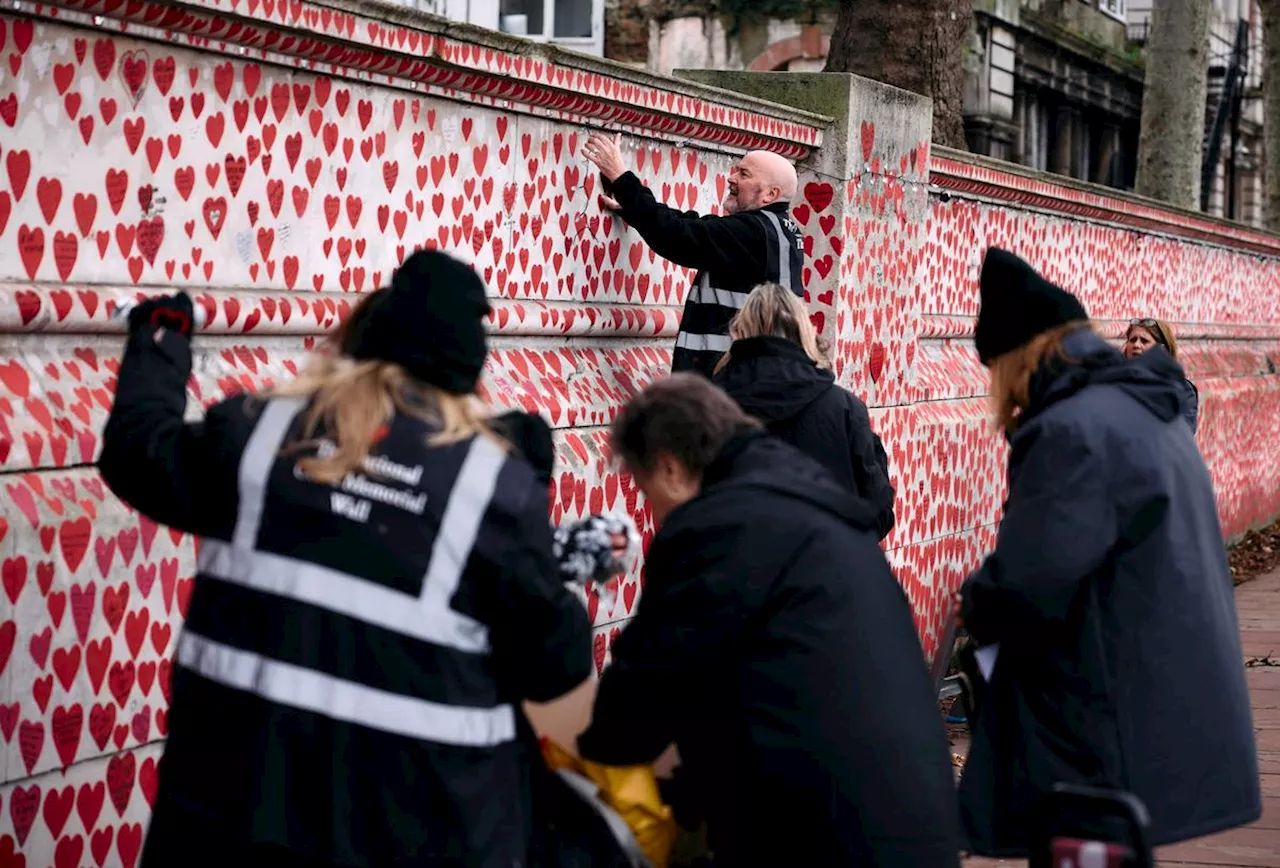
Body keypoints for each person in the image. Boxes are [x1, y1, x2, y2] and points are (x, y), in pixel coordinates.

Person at [99, 251, 597, 868]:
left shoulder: (259, 434)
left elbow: (138, 454)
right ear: (469, 373)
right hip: (422, 830)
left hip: (226, 821)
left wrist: (161, 336)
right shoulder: (490, 485)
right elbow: (557, 664)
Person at [577, 374, 963, 867]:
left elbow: (638, 702)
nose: (652, 515)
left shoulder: (717, 527)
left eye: (645, 490)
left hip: (827, 839)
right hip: (916, 824)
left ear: (671, 469)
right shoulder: (814, 507)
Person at [956, 248, 1260, 857]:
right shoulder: (1143, 408)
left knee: (1086, 843)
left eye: (997, 371)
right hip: (1155, 687)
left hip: (1098, 705)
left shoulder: (1073, 428)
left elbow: (1031, 579)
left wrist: (976, 604)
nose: (1000, 394)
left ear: (1024, 357)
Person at [582, 133, 805, 377]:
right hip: (757, 378)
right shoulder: (779, 230)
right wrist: (634, 209)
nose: (731, 177)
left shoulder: (751, 232)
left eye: (744, 174)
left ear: (770, 195)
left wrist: (621, 177)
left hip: (730, 383)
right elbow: (695, 227)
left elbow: (679, 235)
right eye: (736, 170)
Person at [712, 282, 896, 539]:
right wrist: (875, 454)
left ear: (740, 332)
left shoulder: (707, 407)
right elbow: (876, 514)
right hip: (824, 569)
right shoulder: (844, 409)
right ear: (804, 330)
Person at [1122, 316, 1199, 432]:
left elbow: (1182, 433)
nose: (1136, 345)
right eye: (1132, 340)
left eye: (1144, 341)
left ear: (1161, 350)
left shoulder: (1182, 391)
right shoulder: (1116, 384)